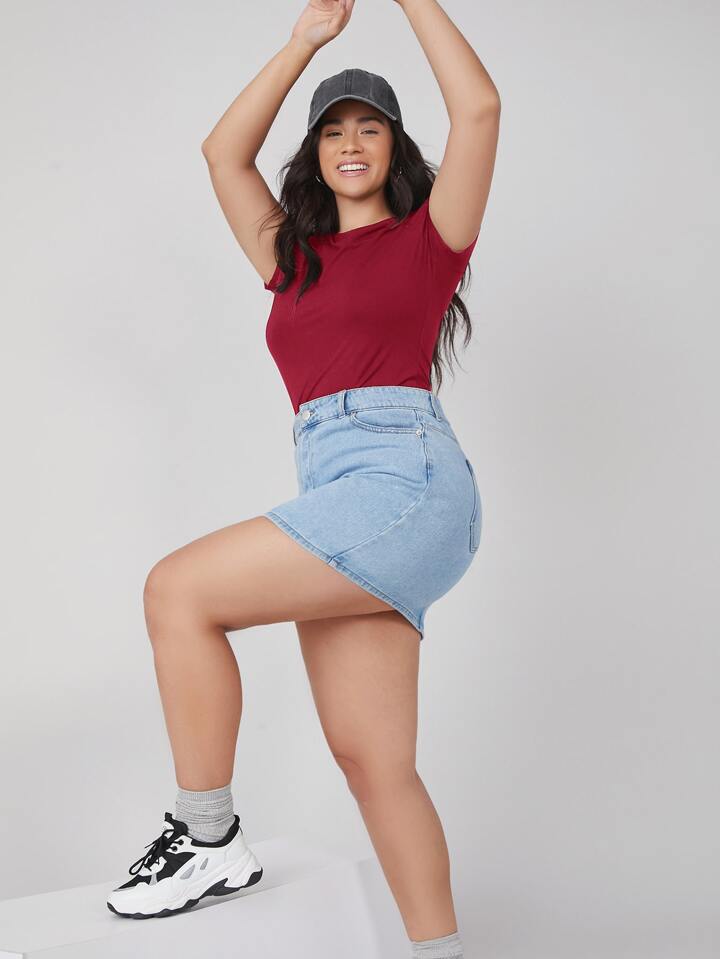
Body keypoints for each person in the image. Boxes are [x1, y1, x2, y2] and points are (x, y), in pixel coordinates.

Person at [106, 1, 500, 956]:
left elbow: (480, 109)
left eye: (370, 127)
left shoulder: (431, 237)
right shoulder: (293, 259)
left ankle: (206, 837)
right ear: (317, 155)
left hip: (405, 479)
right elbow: (222, 155)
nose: (351, 143)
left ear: (396, 149)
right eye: (333, 131)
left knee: (177, 590)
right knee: (373, 760)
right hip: (340, 491)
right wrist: (304, 43)